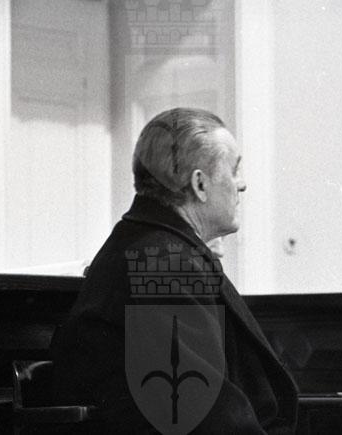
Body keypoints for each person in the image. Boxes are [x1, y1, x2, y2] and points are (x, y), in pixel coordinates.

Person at [50, 108, 298, 433]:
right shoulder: (162, 263)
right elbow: (203, 414)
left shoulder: (151, 248)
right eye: (234, 170)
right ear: (200, 184)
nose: (242, 184)